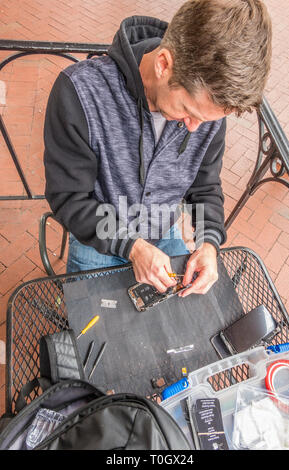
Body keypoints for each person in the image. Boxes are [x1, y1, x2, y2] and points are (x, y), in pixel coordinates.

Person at [43, 0, 272, 297]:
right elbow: (69, 198)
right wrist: (132, 247)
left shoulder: (205, 113)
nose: (194, 127)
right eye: (188, 111)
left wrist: (209, 241)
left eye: (206, 119)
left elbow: (205, 186)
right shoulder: (80, 92)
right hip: (95, 240)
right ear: (163, 64)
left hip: (163, 232)